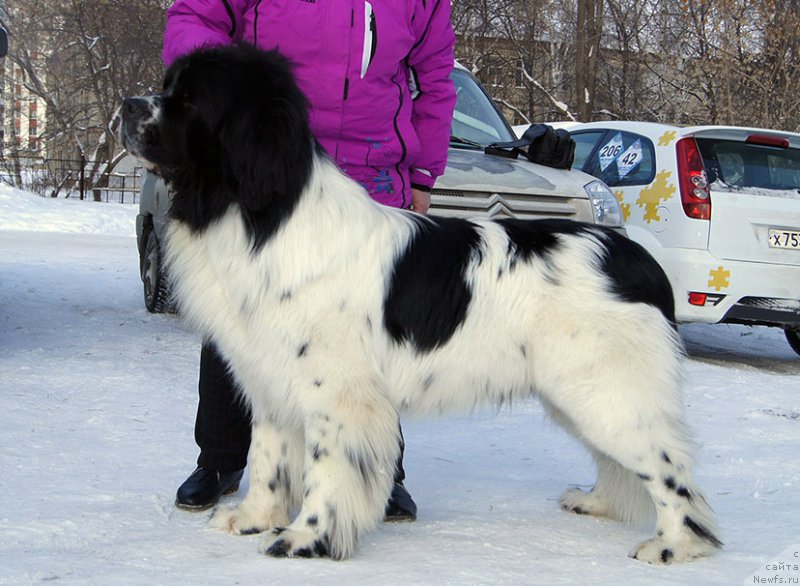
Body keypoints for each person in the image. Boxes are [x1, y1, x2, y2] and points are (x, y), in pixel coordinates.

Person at [161, 0, 457, 519]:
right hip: (267, 161)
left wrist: (423, 171)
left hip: (368, 173)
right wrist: (221, 88)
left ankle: (380, 473)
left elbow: (433, 76)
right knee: (239, 315)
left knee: (366, 339)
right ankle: (221, 459)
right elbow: (196, 17)